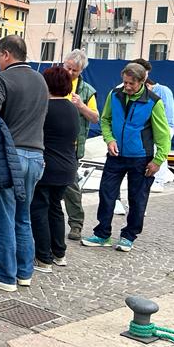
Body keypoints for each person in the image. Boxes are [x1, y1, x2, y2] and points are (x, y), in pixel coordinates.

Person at [0, 35, 48, 292]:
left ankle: (5, 276)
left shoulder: (1, 79)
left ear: (6, 54)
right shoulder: (41, 80)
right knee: (22, 215)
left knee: (3, 217)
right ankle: (24, 272)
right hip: (36, 156)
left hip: (8, 156)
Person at [83, 62, 171, 251]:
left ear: (141, 81)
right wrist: (109, 139)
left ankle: (129, 236)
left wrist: (158, 160)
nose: (127, 87)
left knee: (137, 199)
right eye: (125, 83)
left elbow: (163, 135)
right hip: (116, 155)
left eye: (132, 83)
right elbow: (105, 119)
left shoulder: (154, 102)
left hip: (141, 158)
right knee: (106, 194)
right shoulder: (114, 95)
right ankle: (102, 234)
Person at [30, 66, 80, 272]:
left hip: (47, 166)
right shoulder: (72, 109)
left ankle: (43, 257)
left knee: (39, 209)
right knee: (56, 208)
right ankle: (59, 253)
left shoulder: (43, 108)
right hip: (67, 167)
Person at [61, 49, 99, 240]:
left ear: (80, 71)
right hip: (47, 142)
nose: (69, 72)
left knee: (70, 185)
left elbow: (95, 118)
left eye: (74, 71)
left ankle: (76, 224)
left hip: (71, 146)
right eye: (67, 67)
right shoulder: (50, 81)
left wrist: (81, 106)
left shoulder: (87, 91)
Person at [131, 58, 174, 191]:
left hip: (164, 125)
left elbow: (167, 116)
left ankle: (159, 181)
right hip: (146, 126)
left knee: (159, 149)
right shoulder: (133, 89)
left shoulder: (163, 90)